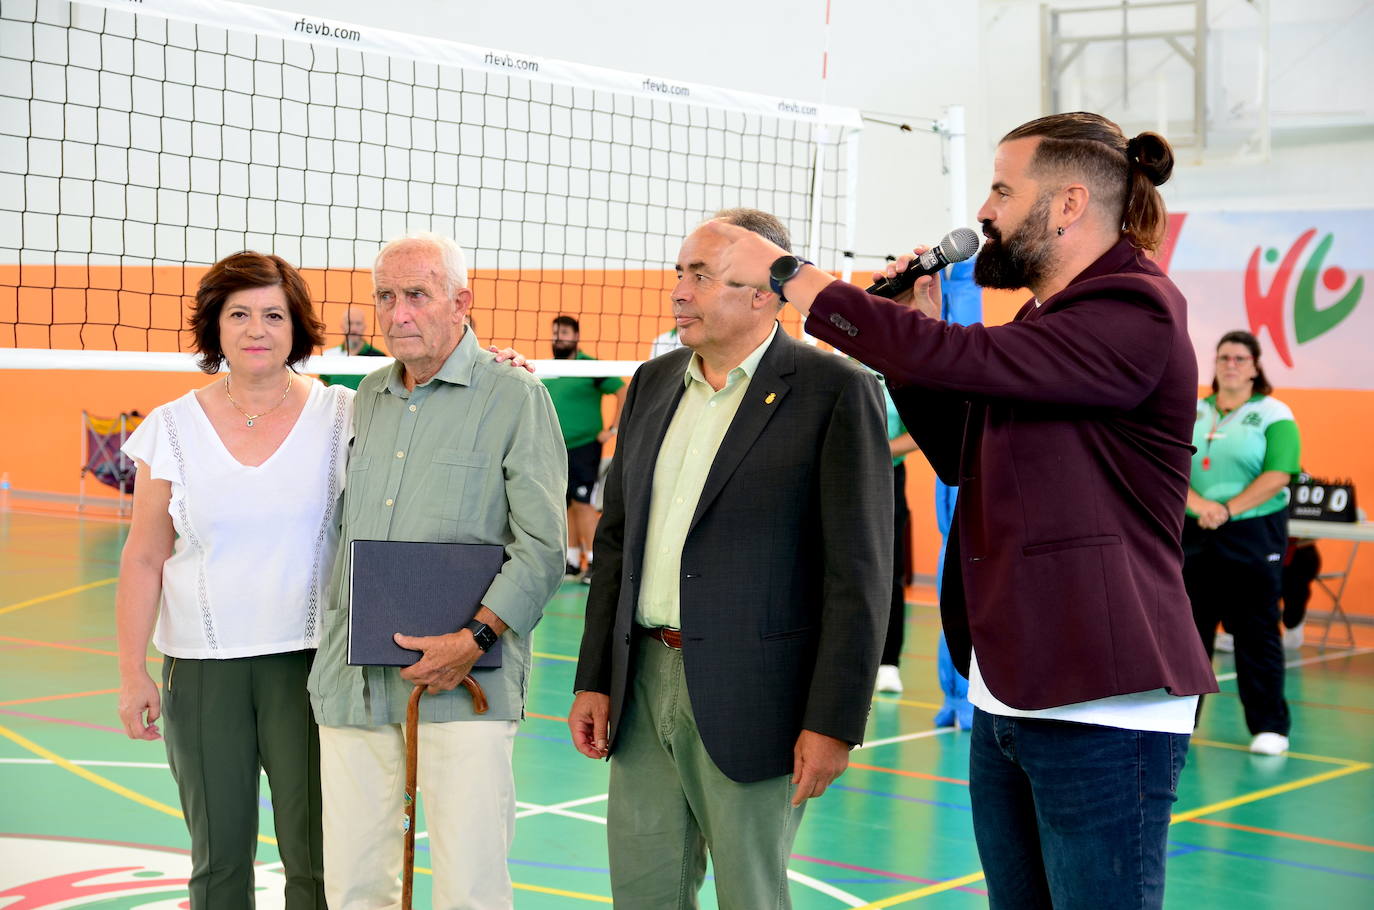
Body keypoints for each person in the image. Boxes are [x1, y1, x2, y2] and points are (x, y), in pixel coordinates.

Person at [704, 113, 1217, 909]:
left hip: (1102, 694)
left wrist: (798, 278)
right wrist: (920, 330)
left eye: (1005, 190)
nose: (986, 210)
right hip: (1009, 688)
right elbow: (962, 452)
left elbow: (964, 361)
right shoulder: (1046, 323)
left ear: (1070, 203)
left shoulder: (1134, 311)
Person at [567, 208, 891, 909]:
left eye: (702, 276)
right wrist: (595, 676)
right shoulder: (651, 384)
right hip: (642, 686)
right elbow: (617, 541)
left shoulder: (835, 391)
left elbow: (858, 576)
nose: (680, 291)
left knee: (751, 895)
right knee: (644, 894)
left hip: (760, 698)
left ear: (765, 293)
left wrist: (834, 721)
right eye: (680, 273)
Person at [306, 232, 566, 910]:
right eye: (386, 298)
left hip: (464, 683)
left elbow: (541, 548)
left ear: (461, 302)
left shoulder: (514, 397)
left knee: (469, 885)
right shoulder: (366, 397)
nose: (398, 314)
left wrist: (473, 640)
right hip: (356, 683)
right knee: (355, 882)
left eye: (416, 295)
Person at [116, 250, 346, 909]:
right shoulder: (171, 426)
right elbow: (143, 557)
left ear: (296, 327)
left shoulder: (345, 415)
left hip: (310, 668)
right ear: (213, 327)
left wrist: (498, 374)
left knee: (318, 857)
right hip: (202, 670)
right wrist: (132, 672)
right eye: (238, 313)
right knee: (218, 861)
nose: (256, 329)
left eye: (273, 314)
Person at [1184, 330, 1302, 755]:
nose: (1230, 364)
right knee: (1188, 631)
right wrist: (1200, 506)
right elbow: (1171, 466)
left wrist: (1228, 509)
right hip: (1195, 530)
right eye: (1223, 357)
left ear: (1255, 367)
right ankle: (1180, 720)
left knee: (1256, 630)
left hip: (1252, 532)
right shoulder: (1194, 410)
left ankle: (1269, 726)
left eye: (1239, 358)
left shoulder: (1274, 413)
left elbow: (1279, 474)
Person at [542, 315, 627, 581]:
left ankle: (593, 562)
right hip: (555, 448)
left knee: (584, 502)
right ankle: (571, 560)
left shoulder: (590, 366)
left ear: (576, 336)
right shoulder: (548, 368)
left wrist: (613, 429)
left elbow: (622, 390)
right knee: (564, 503)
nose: (559, 337)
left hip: (584, 446)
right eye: (555, 332)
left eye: (564, 332)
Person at [318, 307, 386, 389]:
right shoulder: (329, 355)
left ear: (364, 327)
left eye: (358, 324)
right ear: (342, 326)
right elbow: (323, 388)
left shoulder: (379, 357)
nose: (353, 329)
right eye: (349, 323)